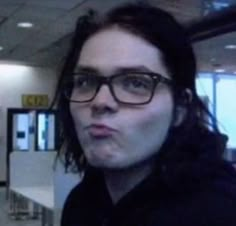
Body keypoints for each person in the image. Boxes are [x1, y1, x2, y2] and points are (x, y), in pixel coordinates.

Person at [56, 2, 236, 226]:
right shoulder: (81, 203)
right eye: (85, 81)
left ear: (180, 108)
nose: (100, 101)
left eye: (135, 83)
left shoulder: (220, 212)